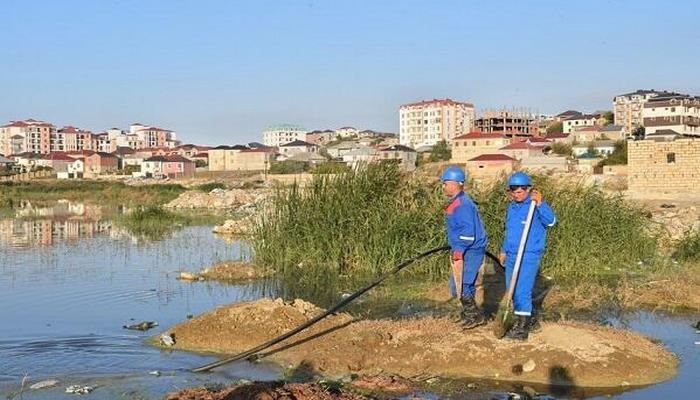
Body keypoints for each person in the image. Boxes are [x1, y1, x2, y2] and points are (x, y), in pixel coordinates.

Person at [498, 171, 556, 340]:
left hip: (529, 254)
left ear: (527, 188)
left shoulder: (534, 205)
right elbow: (510, 232)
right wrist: (503, 250)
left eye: (521, 189)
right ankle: (525, 320)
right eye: (514, 189)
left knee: (522, 290)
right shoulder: (512, 207)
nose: (517, 192)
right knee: (512, 290)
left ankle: (522, 330)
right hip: (512, 254)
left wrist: (541, 204)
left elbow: (552, 221)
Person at [441, 166, 488, 329]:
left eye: (445, 183)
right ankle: (469, 313)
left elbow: (468, 233)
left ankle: (475, 316)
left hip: (471, 250)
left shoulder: (463, 204)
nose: (443, 186)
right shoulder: (456, 202)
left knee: (464, 284)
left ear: (455, 184)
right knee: (457, 284)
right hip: (463, 248)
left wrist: (459, 250)